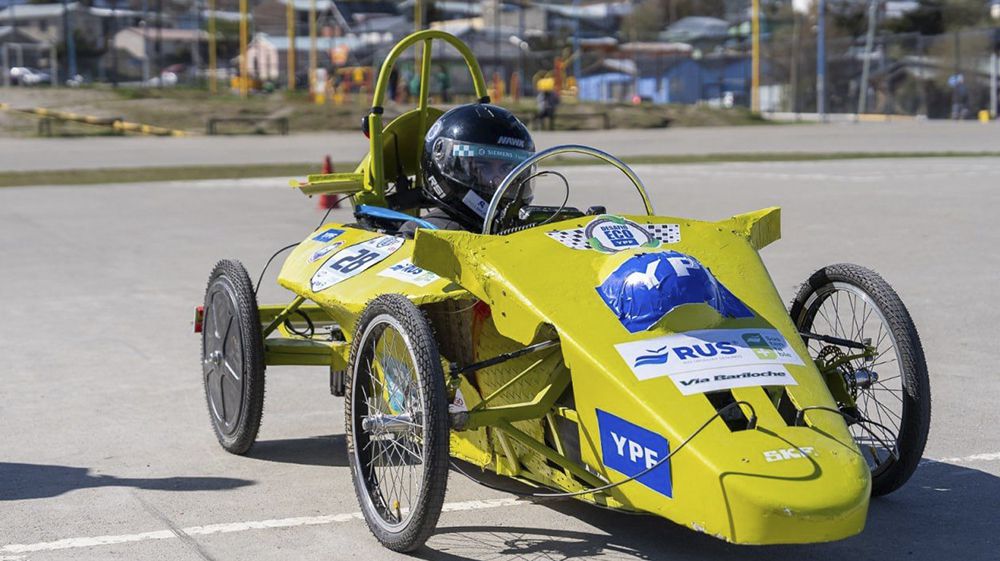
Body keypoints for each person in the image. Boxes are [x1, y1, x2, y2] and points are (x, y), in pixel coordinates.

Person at [400, 103, 536, 235]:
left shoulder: (521, 229)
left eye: (507, 168)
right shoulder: (423, 235)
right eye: (484, 167)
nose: (499, 181)